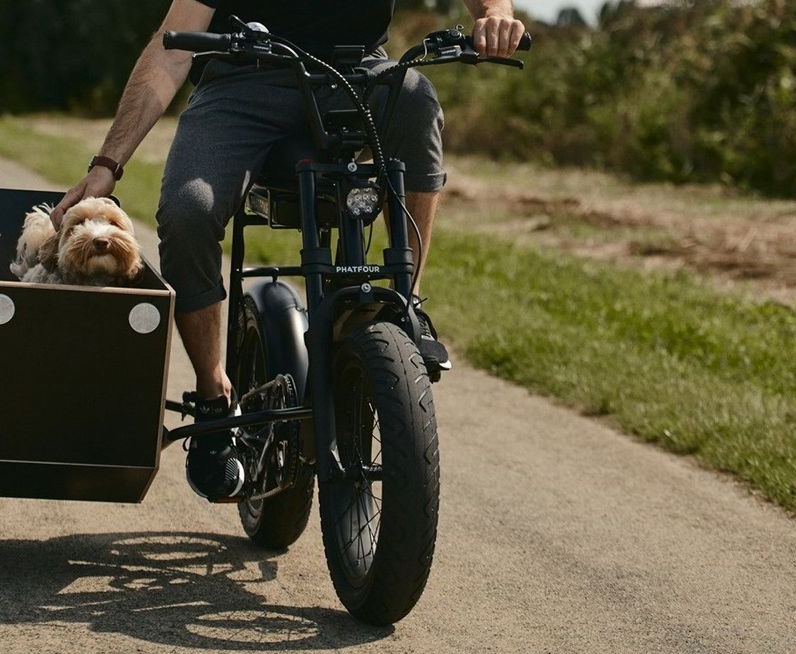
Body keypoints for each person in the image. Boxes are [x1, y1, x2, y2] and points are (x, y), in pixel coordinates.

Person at [50, 0, 526, 501]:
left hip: (354, 75)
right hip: (243, 80)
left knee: (416, 98)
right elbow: (171, 47)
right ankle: (214, 398)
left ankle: (408, 302)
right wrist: (107, 164)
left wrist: (494, 12)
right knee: (188, 211)